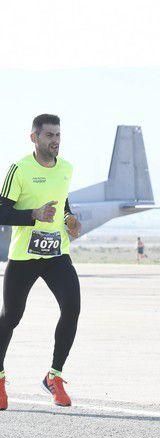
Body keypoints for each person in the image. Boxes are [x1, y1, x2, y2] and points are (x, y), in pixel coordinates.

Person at [0, 114, 81, 411]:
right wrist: (31, 215)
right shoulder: (19, 169)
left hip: (57, 254)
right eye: (49, 135)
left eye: (58, 134)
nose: (55, 140)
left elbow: (64, 206)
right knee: (11, 317)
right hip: (24, 257)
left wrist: (71, 221)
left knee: (72, 308)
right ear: (33, 138)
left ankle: (54, 376)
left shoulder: (66, 169)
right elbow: (1, 213)